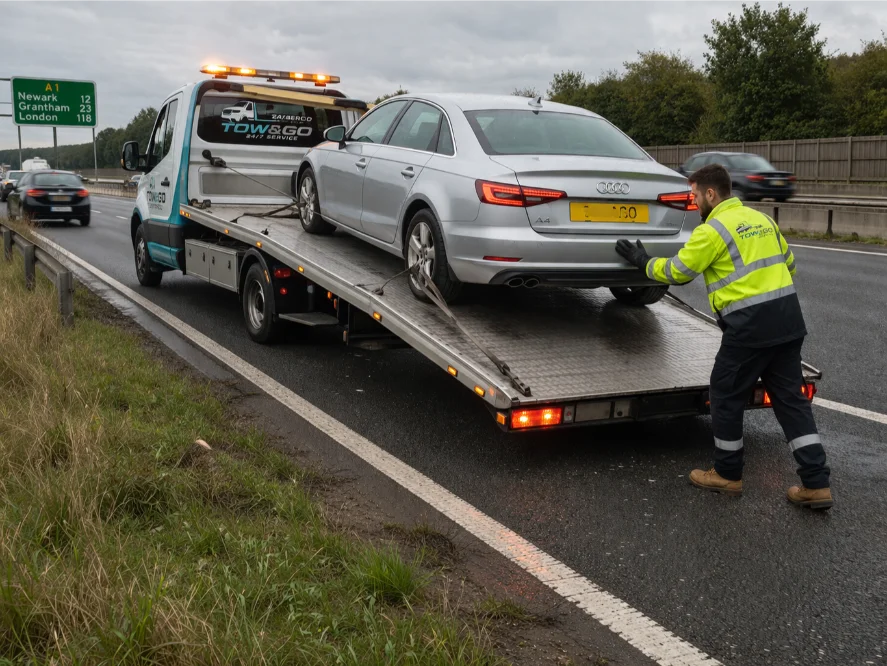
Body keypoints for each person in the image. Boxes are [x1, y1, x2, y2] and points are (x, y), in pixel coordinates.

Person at [615, 163, 832, 510]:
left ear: (711, 194)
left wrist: (643, 262)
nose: (694, 201)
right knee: (791, 401)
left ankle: (728, 474)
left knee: (726, 394)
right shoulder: (763, 220)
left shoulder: (712, 230)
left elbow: (678, 272)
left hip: (749, 327)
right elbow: (788, 264)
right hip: (788, 322)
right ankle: (816, 483)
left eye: (695, 195)